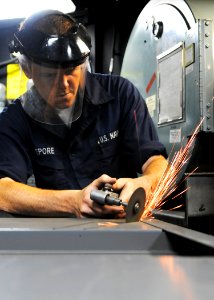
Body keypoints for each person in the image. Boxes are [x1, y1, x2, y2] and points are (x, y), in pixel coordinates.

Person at [0, 9, 168, 218]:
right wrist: (74, 202)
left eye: (72, 71)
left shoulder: (120, 95)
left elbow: (156, 161)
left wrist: (144, 183)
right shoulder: (15, 119)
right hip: (56, 236)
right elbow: (3, 190)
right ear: (27, 70)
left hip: (123, 229)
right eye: (49, 75)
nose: (63, 85)